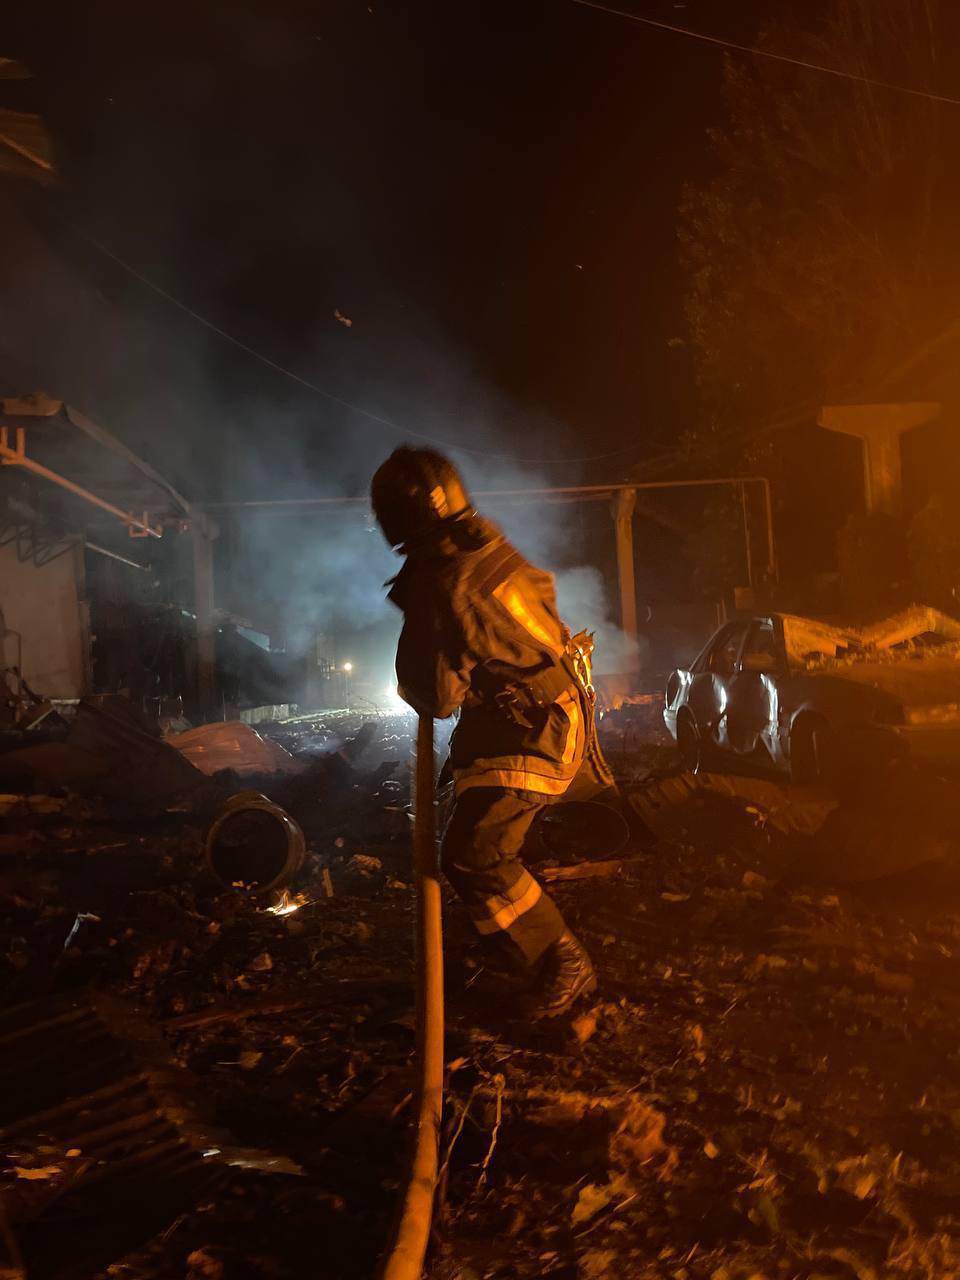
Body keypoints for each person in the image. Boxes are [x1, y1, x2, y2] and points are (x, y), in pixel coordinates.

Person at [371, 445, 616, 1019]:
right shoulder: (487, 546)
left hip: (535, 732)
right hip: (553, 711)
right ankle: (520, 956)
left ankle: (561, 963)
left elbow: (433, 697)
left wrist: (422, 623)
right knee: (471, 850)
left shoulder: (443, 578)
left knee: (475, 856)